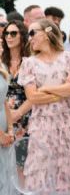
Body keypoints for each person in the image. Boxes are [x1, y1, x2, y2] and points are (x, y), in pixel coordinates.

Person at [18, 19, 70, 193]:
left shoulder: (69, 58)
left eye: (32, 33)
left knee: (68, 170)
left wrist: (46, 89)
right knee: (41, 170)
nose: (29, 38)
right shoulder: (29, 63)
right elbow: (33, 97)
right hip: (42, 125)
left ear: (46, 33)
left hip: (67, 123)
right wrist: (62, 91)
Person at [1, 20, 31, 165]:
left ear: (22, 36)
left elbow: (34, 95)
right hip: (4, 117)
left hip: (26, 117)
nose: (9, 37)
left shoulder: (30, 61)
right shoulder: (1, 61)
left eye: (13, 33)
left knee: (23, 164)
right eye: (6, 33)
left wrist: (18, 113)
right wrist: (9, 118)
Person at [0, 54, 14, 194]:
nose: (2, 47)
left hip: (4, 121)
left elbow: (4, 101)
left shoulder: (2, 67)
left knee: (6, 170)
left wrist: (10, 129)